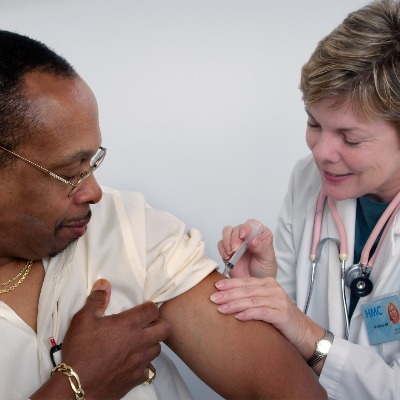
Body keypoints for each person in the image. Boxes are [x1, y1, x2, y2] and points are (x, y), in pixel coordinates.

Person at [0, 30, 327, 400]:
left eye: (92, 162)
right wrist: (79, 385)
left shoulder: (124, 225)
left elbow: (293, 393)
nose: (94, 192)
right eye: (70, 172)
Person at [211, 0, 400, 399]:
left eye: (349, 138)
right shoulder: (308, 182)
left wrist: (308, 335)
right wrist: (265, 287)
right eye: (314, 123)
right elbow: (287, 328)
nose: (321, 152)